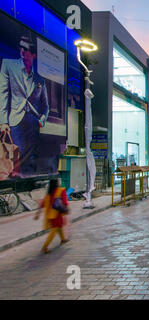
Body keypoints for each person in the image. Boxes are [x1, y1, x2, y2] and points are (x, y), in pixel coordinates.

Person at [0, 35, 49, 177]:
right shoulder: (8, 65)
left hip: (34, 123)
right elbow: (3, 94)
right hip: (16, 121)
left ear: (33, 54)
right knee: (16, 160)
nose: (22, 51)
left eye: (26, 49)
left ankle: (27, 189)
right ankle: (16, 190)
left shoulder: (40, 79)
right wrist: (3, 121)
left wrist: (43, 118)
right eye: (20, 47)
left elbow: (45, 106)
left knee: (31, 160)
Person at [34, 179, 69, 254]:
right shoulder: (61, 191)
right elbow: (65, 202)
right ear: (57, 183)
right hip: (57, 214)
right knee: (54, 230)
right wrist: (66, 210)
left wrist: (38, 213)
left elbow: (42, 204)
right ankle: (44, 247)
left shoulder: (49, 193)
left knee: (59, 227)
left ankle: (63, 240)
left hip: (50, 215)